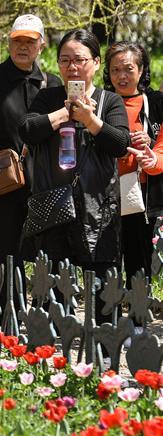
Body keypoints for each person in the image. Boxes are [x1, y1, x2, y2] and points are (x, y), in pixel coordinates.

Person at [20, 29, 129, 322]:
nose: (72, 66)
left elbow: (119, 144)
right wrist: (63, 114)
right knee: (53, 282)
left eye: (79, 59)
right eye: (65, 60)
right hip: (54, 204)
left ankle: (104, 349)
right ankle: (51, 351)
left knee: (102, 286)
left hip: (98, 209)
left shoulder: (110, 102)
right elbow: (27, 130)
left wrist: (90, 120)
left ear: (95, 62)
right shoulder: (47, 97)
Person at [0, 14, 62, 302]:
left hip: (45, 181)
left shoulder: (52, 83)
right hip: (5, 182)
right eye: (17, 41)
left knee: (45, 249)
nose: (22, 47)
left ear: (42, 45)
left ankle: (45, 310)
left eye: (30, 41)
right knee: (5, 248)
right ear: (9, 43)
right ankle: (8, 309)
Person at [104, 41, 163, 286]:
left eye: (128, 69)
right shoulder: (100, 101)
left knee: (139, 259)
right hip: (103, 193)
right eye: (115, 70)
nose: (121, 76)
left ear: (141, 71)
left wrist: (151, 152)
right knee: (107, 259)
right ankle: (107, 318)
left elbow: (161, 148)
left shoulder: (156, 103)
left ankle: (138, 317)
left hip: (139, 193)